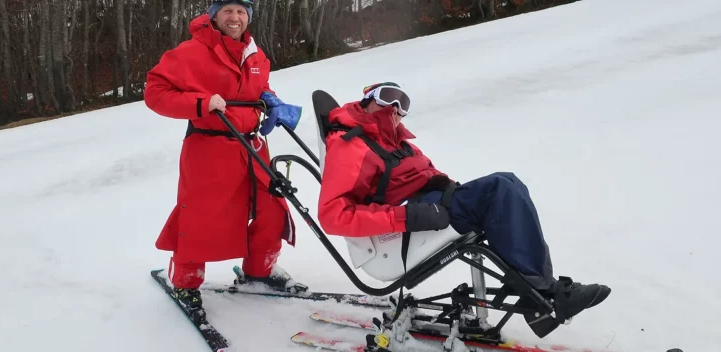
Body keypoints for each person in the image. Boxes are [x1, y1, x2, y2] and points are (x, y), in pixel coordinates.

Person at [316, 82, 611, 325]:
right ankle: (545, 293)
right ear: (367, 100)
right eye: (388, 96)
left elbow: (429, 174)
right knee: (499, 190)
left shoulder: (399, 143)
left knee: (507, 181)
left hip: (429, 209)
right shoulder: (352, 145)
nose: (396, 108)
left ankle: (535, 286)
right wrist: (406, 217)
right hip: (398, 235)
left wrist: (446, 186)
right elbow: (334, 215)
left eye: (403, 103)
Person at [143, 0, 306, 322]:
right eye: (228, 11)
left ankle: (259, 271)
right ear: (214, 15)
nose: (235, 18)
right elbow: (156, 92)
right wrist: (200, 103)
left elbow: (258, 86)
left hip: (254, 145)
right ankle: (185, 283)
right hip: (209, 147)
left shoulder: (255, 54)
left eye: (242, 12)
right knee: (201, 217)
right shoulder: (189, 52)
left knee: (271, 209)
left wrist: (270, 99)